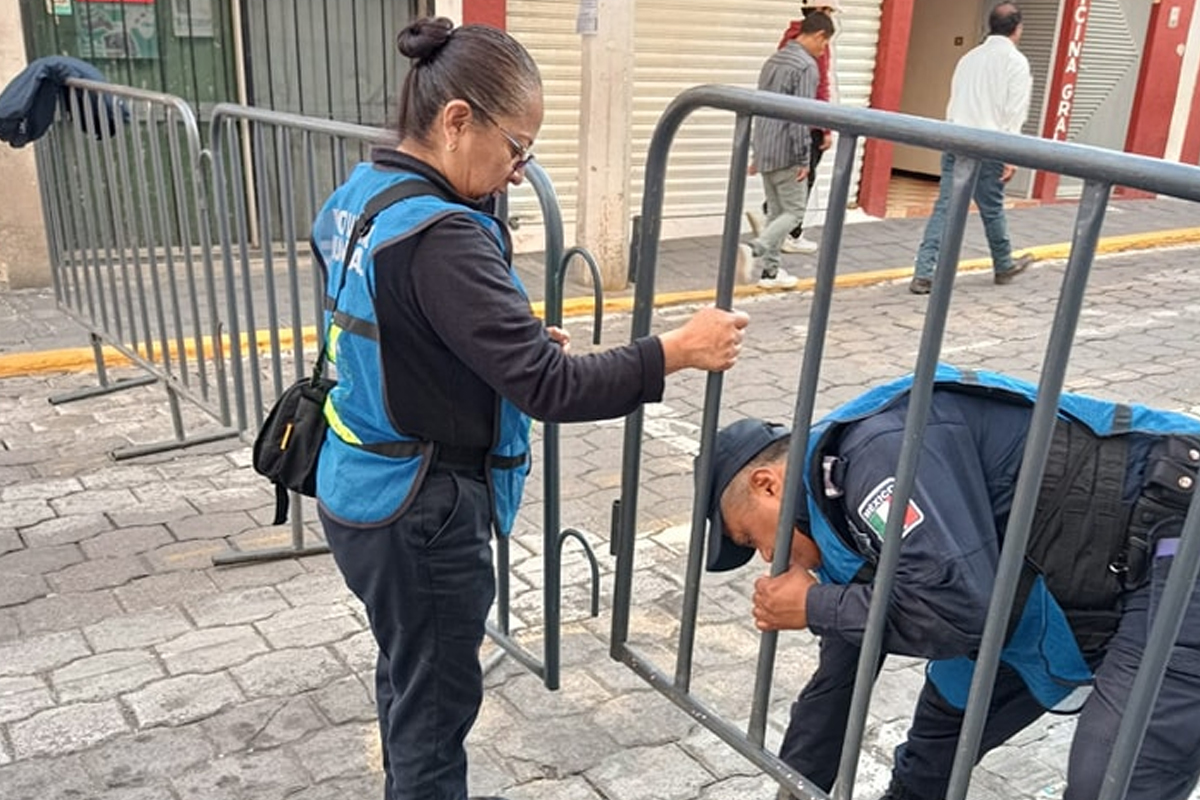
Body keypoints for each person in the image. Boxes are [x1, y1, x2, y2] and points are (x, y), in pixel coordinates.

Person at [310, 18, 750, 800]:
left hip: (359, 487)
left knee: (408, 682)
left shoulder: (360, 193)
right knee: (434, 720)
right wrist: (677, 350)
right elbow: (552, 387)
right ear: (456, 122)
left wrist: (483, 336)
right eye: (517, 147)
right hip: (420, 511)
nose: (520, 171)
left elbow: (392, 323)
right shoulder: (446, 236)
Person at [703, 365, 1200, 800]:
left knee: (1113, 780)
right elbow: (839, 684)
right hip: (1065, 584)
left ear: (766, 484)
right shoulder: (832, 513)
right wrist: (794, 791)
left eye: (751, 536)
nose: (767, 556)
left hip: (1177, 533)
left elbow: (960, 609)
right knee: (937, 743)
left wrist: (816, 607)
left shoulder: (874, 456)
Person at [908, 2, 1037, 295]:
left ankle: (924, 271)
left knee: (945, 206)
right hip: (990, 143)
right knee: (992, 207)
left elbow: (954, 102)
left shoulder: (969, 58)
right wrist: (1011, 154)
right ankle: (1003, 263)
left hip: (957, 138)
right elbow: (1013, 113)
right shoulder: (1015, 63)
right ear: (1017, 29)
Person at [739, 11, 836, 290]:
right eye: (825, 43)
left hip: (767, 147)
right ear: (819, 35)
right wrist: (804, 158)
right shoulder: (806, 66)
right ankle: (754, 249)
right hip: (788, 149)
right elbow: (800, 116)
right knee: (794, 212)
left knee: (776, 212)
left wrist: (757, 153)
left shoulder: (774, 59)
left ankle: (771, 273)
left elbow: (760, 106)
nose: (823, 50)